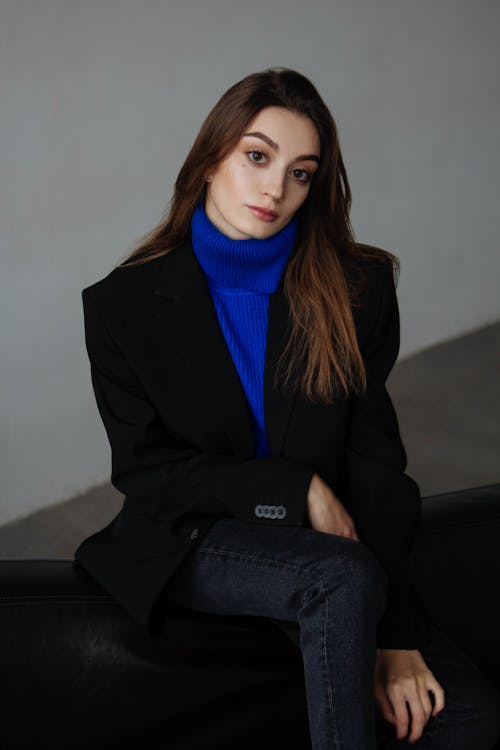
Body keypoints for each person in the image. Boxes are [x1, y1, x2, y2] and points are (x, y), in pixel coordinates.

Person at [76, 68, 500, 749]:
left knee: (469, 715)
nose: (276, 189)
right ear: (211, 156)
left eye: (302, 173)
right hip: (198, 535)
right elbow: (147, 472)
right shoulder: (124, 306)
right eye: (257, 156)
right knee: (341, 578)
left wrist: (396, 640)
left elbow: (378, 469)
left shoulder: (356, 288)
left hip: (332, 553)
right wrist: (293, 488)